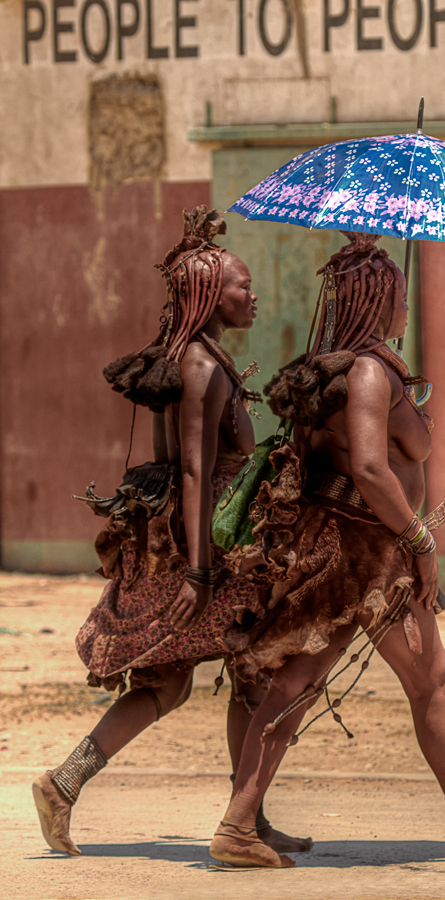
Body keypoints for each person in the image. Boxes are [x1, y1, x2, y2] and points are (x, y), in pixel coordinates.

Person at [207, 232, 445, 868]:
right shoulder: (368, 373)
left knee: (294, 682)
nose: (405, 305)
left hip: (333, 554)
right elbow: (371, 468)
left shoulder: (329, 370)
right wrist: (418, 539)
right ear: (380, 301)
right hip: (371, 559)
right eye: (398, 292)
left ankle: (238, 824)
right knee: (433, 681)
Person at [32, 207, 312, 859]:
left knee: (213, 677)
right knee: (228, 673)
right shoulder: (201, 367)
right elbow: (194, 468)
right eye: (243, 285)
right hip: (202, 547)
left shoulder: (200, 357)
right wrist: (200, 570)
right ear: (213, 294)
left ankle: (245, 817)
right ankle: (232, 820)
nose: (255, 294)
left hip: (199, 541)